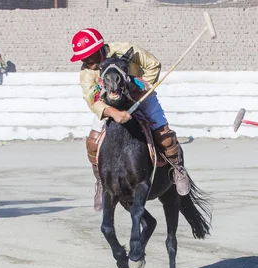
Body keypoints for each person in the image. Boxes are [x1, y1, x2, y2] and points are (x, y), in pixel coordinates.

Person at [69, 28, 190, 211]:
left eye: (87, 56)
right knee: (93, 141)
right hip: (110, 104)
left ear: (98, 50)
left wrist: (140, 88)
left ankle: (177, 169)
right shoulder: (87, 72)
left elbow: (153, 64)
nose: (84, 61)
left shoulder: (126, 50)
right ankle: (101, 182)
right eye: (82, 58)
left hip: (142, 96)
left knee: (162, 132)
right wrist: (113, 112)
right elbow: (92, 99)